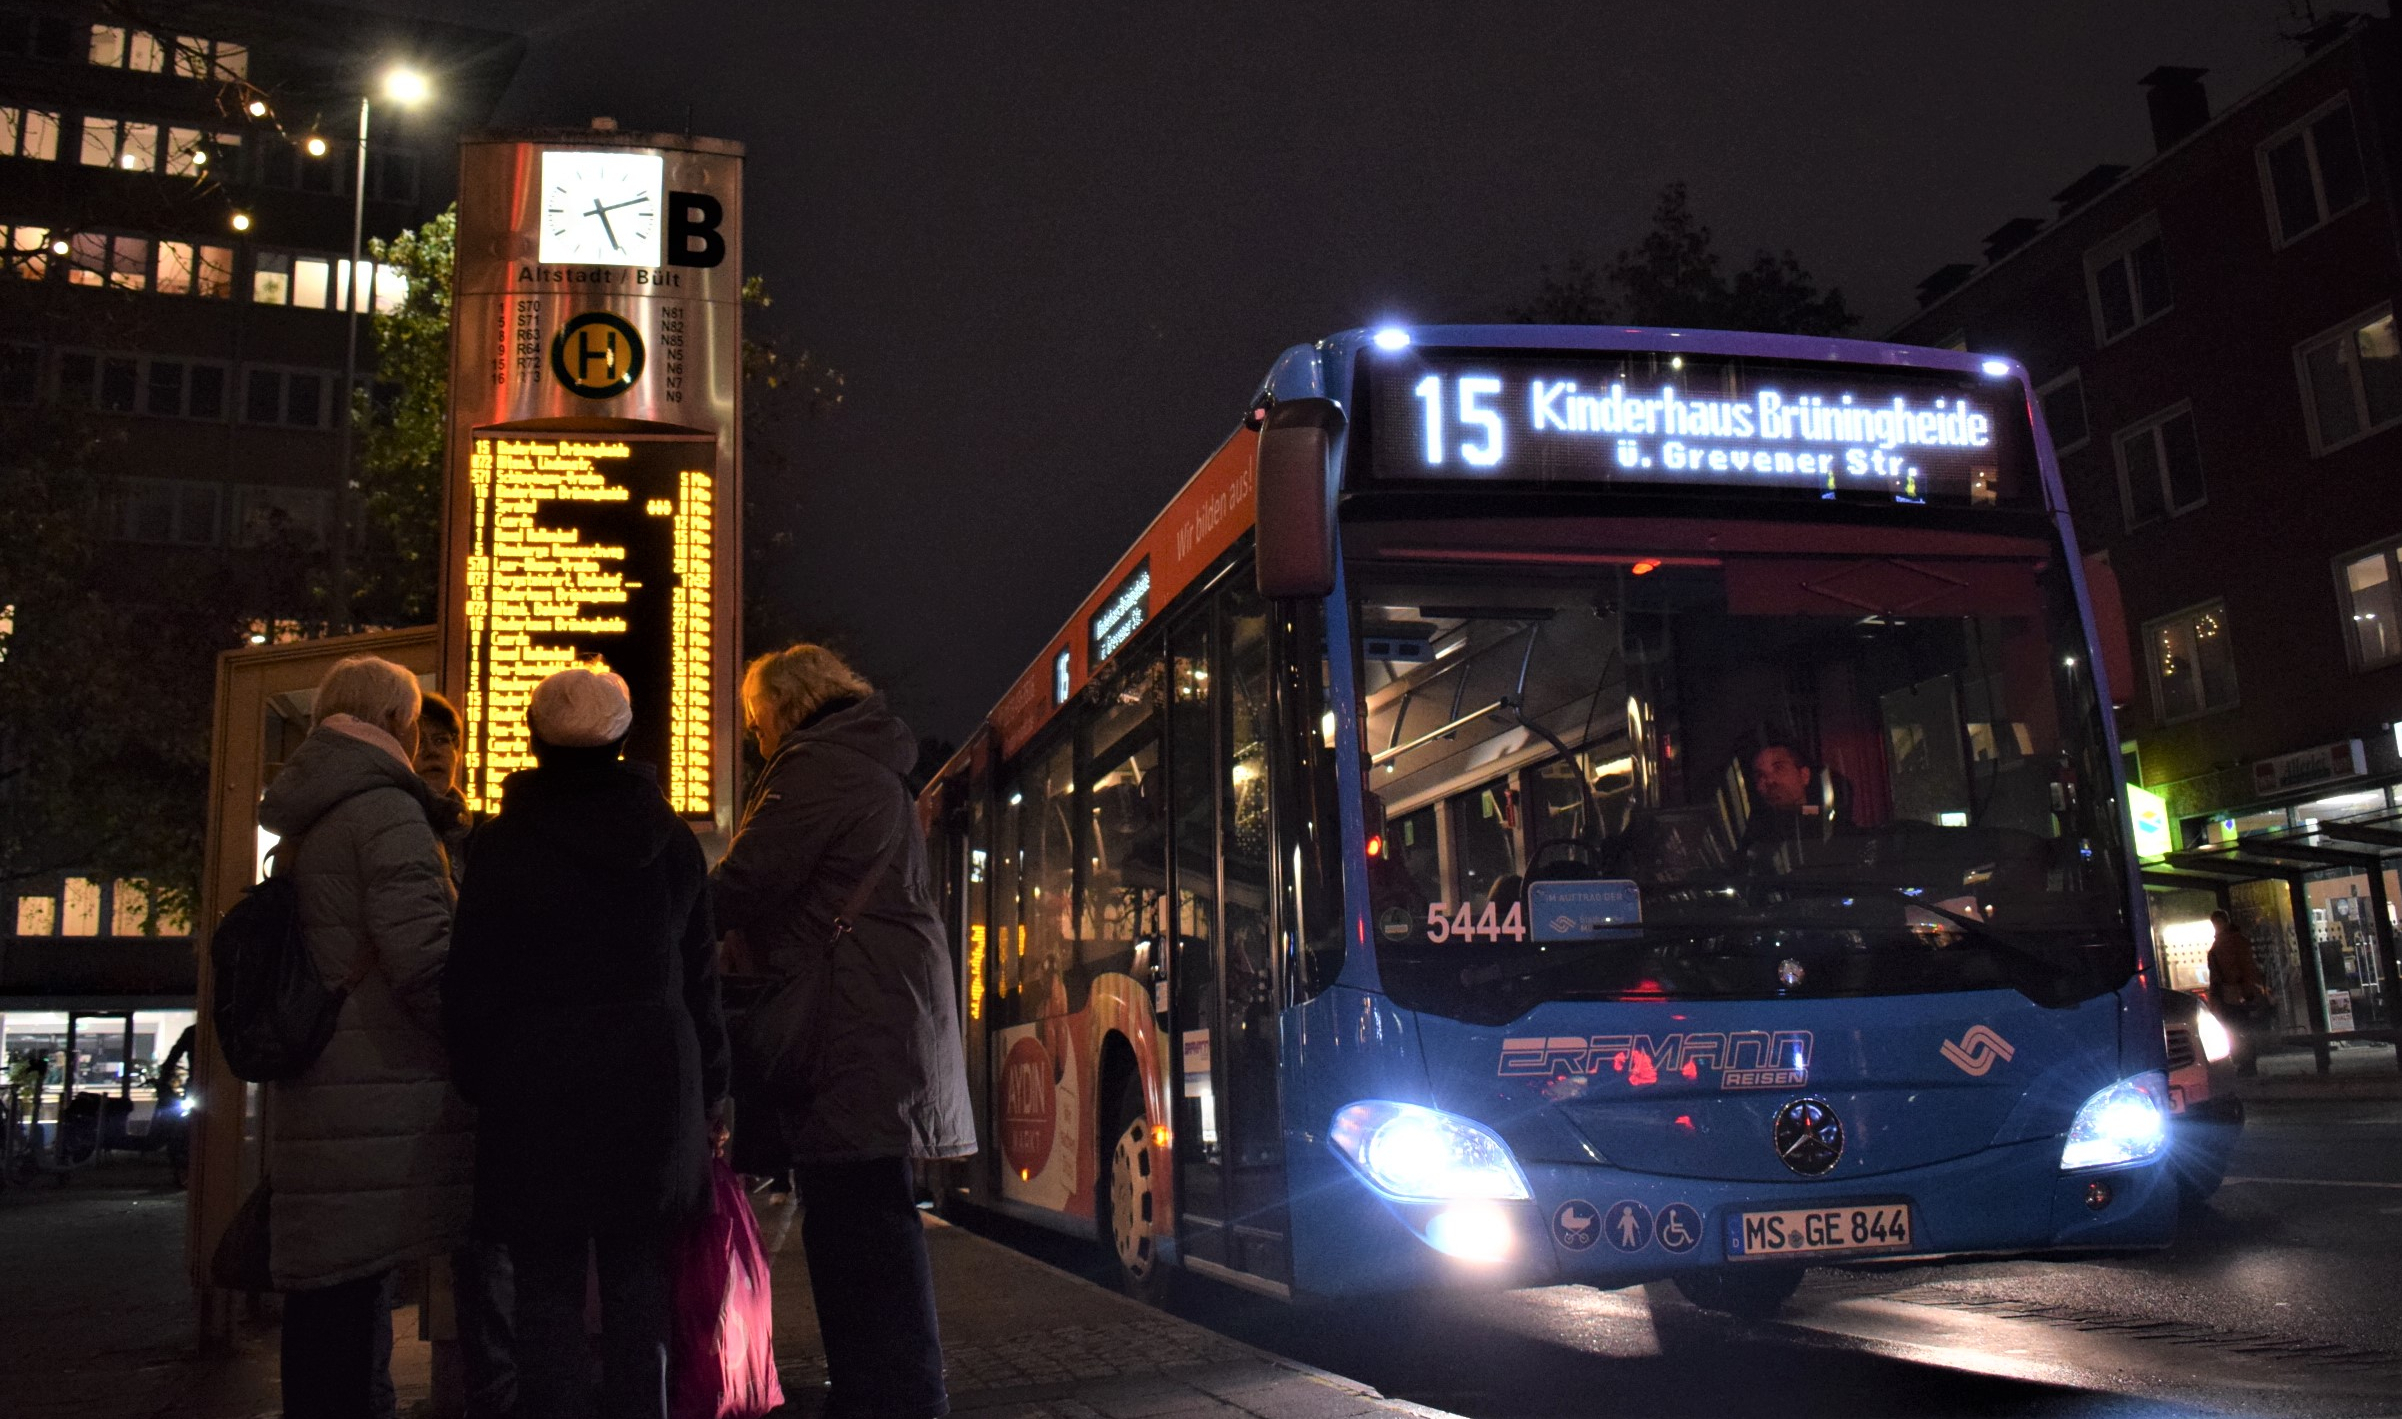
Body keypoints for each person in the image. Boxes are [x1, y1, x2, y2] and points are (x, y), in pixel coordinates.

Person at [444, 667, 729, 1419]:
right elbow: (702, 985)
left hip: (536, 1095)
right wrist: (714, 1092)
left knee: (545, 1294)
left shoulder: (501, 846)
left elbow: (469, 982)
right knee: (640, 1287)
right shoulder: (671, 842)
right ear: (626, 739)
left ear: (533, 740)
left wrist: (482, 1077)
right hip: (651, 1095)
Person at [712, 644, 975, 1419]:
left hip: (849, 1031)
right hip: (878, 1023)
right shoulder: (869, 764)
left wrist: (657, 906)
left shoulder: (818, 768)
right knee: (873, 1216)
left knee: (856, 1226)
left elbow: (745, 882)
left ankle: (885, 1395)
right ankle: (891, 1391)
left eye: (759, 719)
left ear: (788, 706)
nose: (757, 737)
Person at [255, 654, 474, 1419]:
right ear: (393, 724)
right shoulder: (385, 810)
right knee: (353, 1315)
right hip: (376, 1100)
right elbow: (424, 960)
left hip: (325, 1092)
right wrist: (481, 1048)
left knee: (327, 1309)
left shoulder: (312, 809)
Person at [415, 691, 472, 886]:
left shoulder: (479, 832)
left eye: (441, 740)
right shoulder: (392, 826)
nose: (432, 751)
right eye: (418, 742)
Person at [2206, 909, 2272, 1077]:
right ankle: (2247, 1063)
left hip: (2231, 995)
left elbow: (2221, 975)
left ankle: (2244, 1062)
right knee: (2241, 1029)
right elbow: (2249, 968)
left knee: (2235, 1029)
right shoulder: (2238, 941)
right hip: (2239, 993)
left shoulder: (2221, 945)